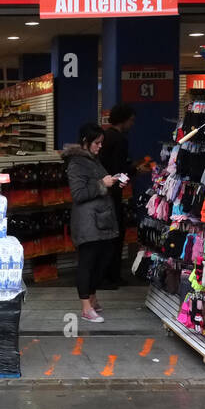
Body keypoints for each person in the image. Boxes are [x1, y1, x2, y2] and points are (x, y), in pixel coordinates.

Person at [64, 123, 119, 323]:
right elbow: (78, 194)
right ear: (86, 142)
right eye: (97, 143)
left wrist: (112, 182)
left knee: (102, 259)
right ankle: (86, 307)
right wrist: (102, 184)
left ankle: (92, 298)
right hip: (88, 222)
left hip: (101, 220)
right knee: (87, 263)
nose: (100, 146)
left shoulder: (93, 160)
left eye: (101, 143)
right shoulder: (77, 163)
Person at [98, 103, 136, 288]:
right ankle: (112, 276)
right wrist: (135, 170)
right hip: (113, 193)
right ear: (124, 119)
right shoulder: (120, 140)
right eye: (131, 120)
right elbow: (119, 169)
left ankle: (104, 275)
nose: (132, 124)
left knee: (105, 235)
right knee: (116, 234)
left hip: (101, 192)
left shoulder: (104, 137)